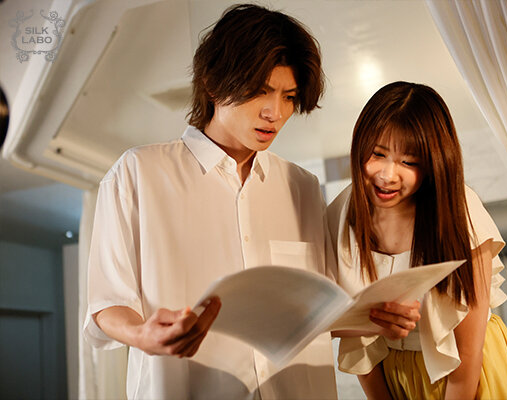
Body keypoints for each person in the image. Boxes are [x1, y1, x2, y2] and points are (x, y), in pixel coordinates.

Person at [83, 4, 338, 399]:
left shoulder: (302, 186)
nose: (275, 113)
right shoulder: (138, 173)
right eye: (260, 91)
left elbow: (319, 308)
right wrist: (141, 334)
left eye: (289, 97)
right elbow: (107, 303)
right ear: (213, 83)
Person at [327, 81, 507, 399]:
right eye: (377, 154)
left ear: (434, 163)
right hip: (395, 374)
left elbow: (467, 356)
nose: (388, 175)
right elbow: (352, 341)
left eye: (408, 162)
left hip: (469, 374)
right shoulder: (343, 212)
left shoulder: (459, 210)